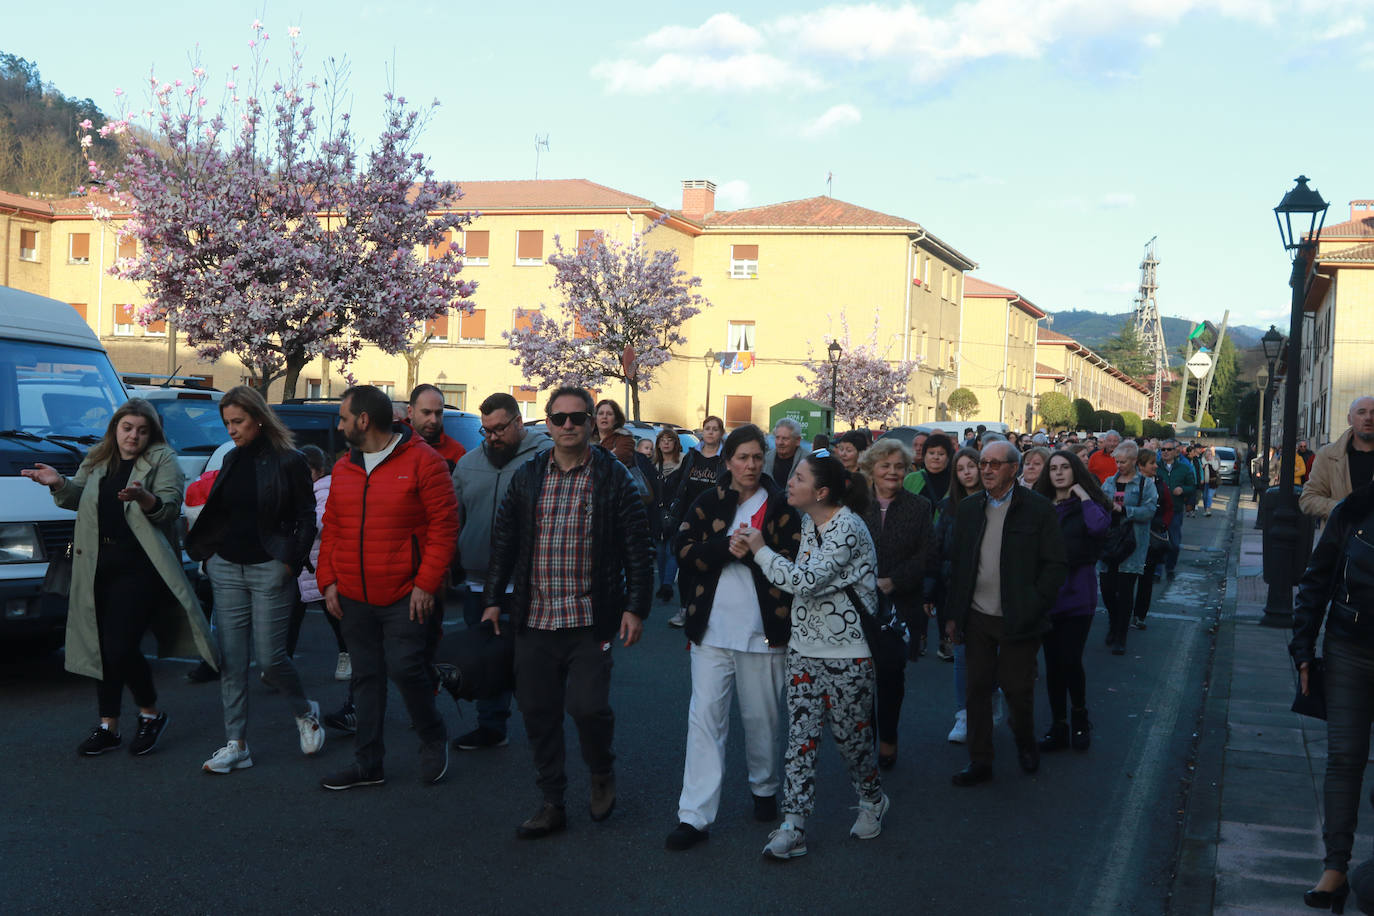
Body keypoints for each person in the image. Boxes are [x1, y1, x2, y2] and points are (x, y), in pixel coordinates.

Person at [482, 386, 654, 839]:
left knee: (587, 708)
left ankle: (601, 770)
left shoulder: (612, 475)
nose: (568, 427)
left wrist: (636, 607)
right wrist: (494, 598)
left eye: (577, 418)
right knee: (537, 711)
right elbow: (505, 540)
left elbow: (638, 546)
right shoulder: (530, 474)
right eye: (558, 419)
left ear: (591, 421)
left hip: (589, 616)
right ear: (548, 422)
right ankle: (552, 800)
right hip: (534, 616)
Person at [24, 398, 216, 757]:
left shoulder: (163, 460)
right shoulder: (99, 457)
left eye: (142, 431)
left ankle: (150, 714)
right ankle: (107, 726)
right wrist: (56, 482)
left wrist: (145, 497)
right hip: (96, 563)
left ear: (151, 434)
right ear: (116, 428)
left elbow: (170, 509)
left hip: (140, 567)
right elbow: (76, 498)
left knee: (121, 646)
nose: (134, 436)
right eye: (127, 428)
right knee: (101, 647)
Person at [737, 454, 887, 859]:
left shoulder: (848, 527)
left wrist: (760, 549)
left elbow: (804, 582)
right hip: (804, 651)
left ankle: (872, 798)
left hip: (849, 654)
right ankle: (793, 826)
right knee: (800, 741)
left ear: (821, 492)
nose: (790, 482)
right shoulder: (809, 522)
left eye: (799, 478)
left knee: (852, 742)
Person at [316, 385, 459, 790]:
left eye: (343, 418)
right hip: (353, 596)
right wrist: (328, 581)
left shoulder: (424, 463)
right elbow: (333, 529)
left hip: (405, 593)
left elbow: (444, 529)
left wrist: (426, 584)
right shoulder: (344, 467)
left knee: (405, 668)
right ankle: (368, 764)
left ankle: (432, 735)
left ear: (363, 420)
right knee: (365, 677)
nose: (339, 425)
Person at [665, 425, 801, 851]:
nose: (750, 465)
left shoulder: (781, 506)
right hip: (711, 631)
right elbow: (682, 551)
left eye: (757, 457)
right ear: (727, 461)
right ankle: (694, 815)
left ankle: (764, 786)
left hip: (764, 631)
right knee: (705, 719)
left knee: (763, 718)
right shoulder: (709, 502)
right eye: (742, 457)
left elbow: (797, 562)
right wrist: (726, 548)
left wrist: (758, 552)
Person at [185, 386, 321, 775]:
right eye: (227, 422)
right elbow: (221, 513)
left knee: (271, 658)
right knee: (232, 660)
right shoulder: (230, 459)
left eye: (238, 421)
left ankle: (305, 712)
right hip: (227, 567)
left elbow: (306, 516)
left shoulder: (290, 461)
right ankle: (237, 744)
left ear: (258, 418)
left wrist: (291, 562)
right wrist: (210, 555)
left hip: (269, 567)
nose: (232, 430)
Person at [943, 440, 1067, 785]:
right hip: (977, 615)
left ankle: (1026, 742)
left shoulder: (1038, 510)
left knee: (1016, 689)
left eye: (995, 464)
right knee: (977, 689)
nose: (986, 470)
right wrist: (953, 615)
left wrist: (1033, 603)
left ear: (1014, 468)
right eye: (983, 463)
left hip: (1018, 616)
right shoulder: (969, 509)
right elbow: (958, 565)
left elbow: (1056, 565)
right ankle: (980, 760)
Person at [450, 392, 551, 751]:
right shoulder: (468, 464)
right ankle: (491, 726)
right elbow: (455, 518)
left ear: (519, 422)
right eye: (486, 430)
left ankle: (543, 730)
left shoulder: (544, 458)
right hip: (478, 580)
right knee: (484, 658)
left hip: (529, 582)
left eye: (500, 429)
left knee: (529, 661)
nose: (492, 437)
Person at [1291, 481, 1374, 913]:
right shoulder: (1354, 512)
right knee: (1344, 758)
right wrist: (1303, 647)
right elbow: (1317, 577)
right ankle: (1335, 868)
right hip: (1350, 648)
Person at [858, 439, 933, 769]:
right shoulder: (855, 505)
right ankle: (866, 738)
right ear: (871, 469)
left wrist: (893, 581)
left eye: (899, 466)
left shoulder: (919, 507)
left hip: (900, 604)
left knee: (891, 674)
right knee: (860, 677)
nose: (892, 471)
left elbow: (926, 555)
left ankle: (888, 736)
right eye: (885, 465)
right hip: (858, 604)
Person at [1032, 450, 1109, 752]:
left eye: (1065, 468)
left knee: (1070, 660)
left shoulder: (1089, 504)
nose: (1059, 473)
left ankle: (1080, 717)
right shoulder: (1039, 506)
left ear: (1075, 471)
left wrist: (1084, 496)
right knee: (1052, 664)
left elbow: (1099, 528)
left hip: (1078, 595)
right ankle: (1058, 725)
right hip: (1047, 596)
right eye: (1054, 469)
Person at [927, 446, 984, 734]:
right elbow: (936, 550)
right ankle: (963, 713)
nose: (967, 473)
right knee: (961, 655)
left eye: (971, 466)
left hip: (989, 590)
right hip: (956, 589)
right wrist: (929, 590)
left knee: (991, 656)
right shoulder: (948, 508)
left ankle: (990, 697)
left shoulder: (995, 503)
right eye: (960, 469)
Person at [293, 444, 349, 682]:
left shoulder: (325, 489)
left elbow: (318, 524)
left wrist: (295, 523)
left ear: (317, 470)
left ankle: (347, 655)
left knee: (334, 616)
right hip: (305, 567)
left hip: (320, 565)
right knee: (291, 618)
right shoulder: (304, 491)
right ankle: (278, 663)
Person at [1098, 440, 1158, 656]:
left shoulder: (1146, 485)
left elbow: (1150, 511)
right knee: (1106, 589)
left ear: (1134, 461)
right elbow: (1099, 503)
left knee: (1125, 592)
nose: (1119, 465)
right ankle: (1114, 623)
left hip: (1132, 543)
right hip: (1109, 541)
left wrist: (1124, 510)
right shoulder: (1109, 482)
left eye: (1123, 462)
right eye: (1117, 461)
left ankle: (1120, 635)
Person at [667, 416, 727, 627]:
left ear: (721, 432)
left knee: (710, 564)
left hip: (714, 519)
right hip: (689, 516)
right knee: (686, 564)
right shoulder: (692, 456)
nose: (710, 432)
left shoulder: (725, 458)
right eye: (707, 428)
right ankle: (684, 609)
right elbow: (681, 484)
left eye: (714, 429)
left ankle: (707, 609)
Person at [1302, 397, 1374, 522]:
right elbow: (1308, 499)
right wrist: (1343, 509)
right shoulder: (1328, 455)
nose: (1368, 417)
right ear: (1349, 419)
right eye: (1361, 412)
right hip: (1339, 538)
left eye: (1373, 413)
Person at [1134, 448, 1174, 629]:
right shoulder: (1130, 482)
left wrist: (1163, 524)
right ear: (1140, 466)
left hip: (1152, 537)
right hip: (1131, 537)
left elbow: (1168, 506)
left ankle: (1140, 615)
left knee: (1146, 579)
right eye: (1151, 463)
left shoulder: (1160, 482)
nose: (1156, 466)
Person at [652, 428, 687, 602]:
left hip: (676, 512)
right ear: (658, 444)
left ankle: (667, 585)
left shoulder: (683, 462)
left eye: (670, 439)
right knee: (659, 550)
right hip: (657, 513)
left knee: (671, 548)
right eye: (662, 440)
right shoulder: (653, 464)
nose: (666, 443)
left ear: (675, 443)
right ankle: (663, 584)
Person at [1156, 439, 1196, 581]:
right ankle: (1157, 571)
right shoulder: (1155, 467)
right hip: (1157, 511)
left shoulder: (1184, 468)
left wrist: (1183, 489)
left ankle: (1170, 567)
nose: (1165, 452)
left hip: (1175, 511)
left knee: (1174, 543)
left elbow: (1192, 487)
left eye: (1168, 450)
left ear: (1175, 451)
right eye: (1163, 450)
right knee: (1157, 542)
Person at [407, 383, 466, 470]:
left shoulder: (456, 452)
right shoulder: (392, 445)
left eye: (438, 413)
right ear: (410, 412)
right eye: (426, 413)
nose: (434, 420)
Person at [902, 432, 953, 508]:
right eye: (931, 453)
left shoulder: (954, 480)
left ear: (948, 457)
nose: (936, 457)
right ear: (924, 455)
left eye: (941, 454)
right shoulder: (910, 479)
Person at [763, 417, 808, 485]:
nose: (780, 442)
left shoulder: (808, 462)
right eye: (777, 438)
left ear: (797, 440)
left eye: (785, 439)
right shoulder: (766, 459)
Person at [594, 398, 637, 465]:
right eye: (600, 413)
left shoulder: (625, 439)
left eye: (609, 414)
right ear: (595, 418)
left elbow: (615, 462)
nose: (604, 417)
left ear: (616, 419)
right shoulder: (586, 439)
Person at [1200, 446, 1221, 517]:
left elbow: (1216, 468)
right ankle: (1206, 509)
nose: (1209, 456)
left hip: (1213, 482)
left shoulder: (1214, 460)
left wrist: (1211, 461)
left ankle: (1208, 510)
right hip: (1205, 482)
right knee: (1204, 497)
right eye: (1208, 454)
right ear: (1205, 455)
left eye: (1210, 454)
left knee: (1209, 496)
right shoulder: (1202, 461)